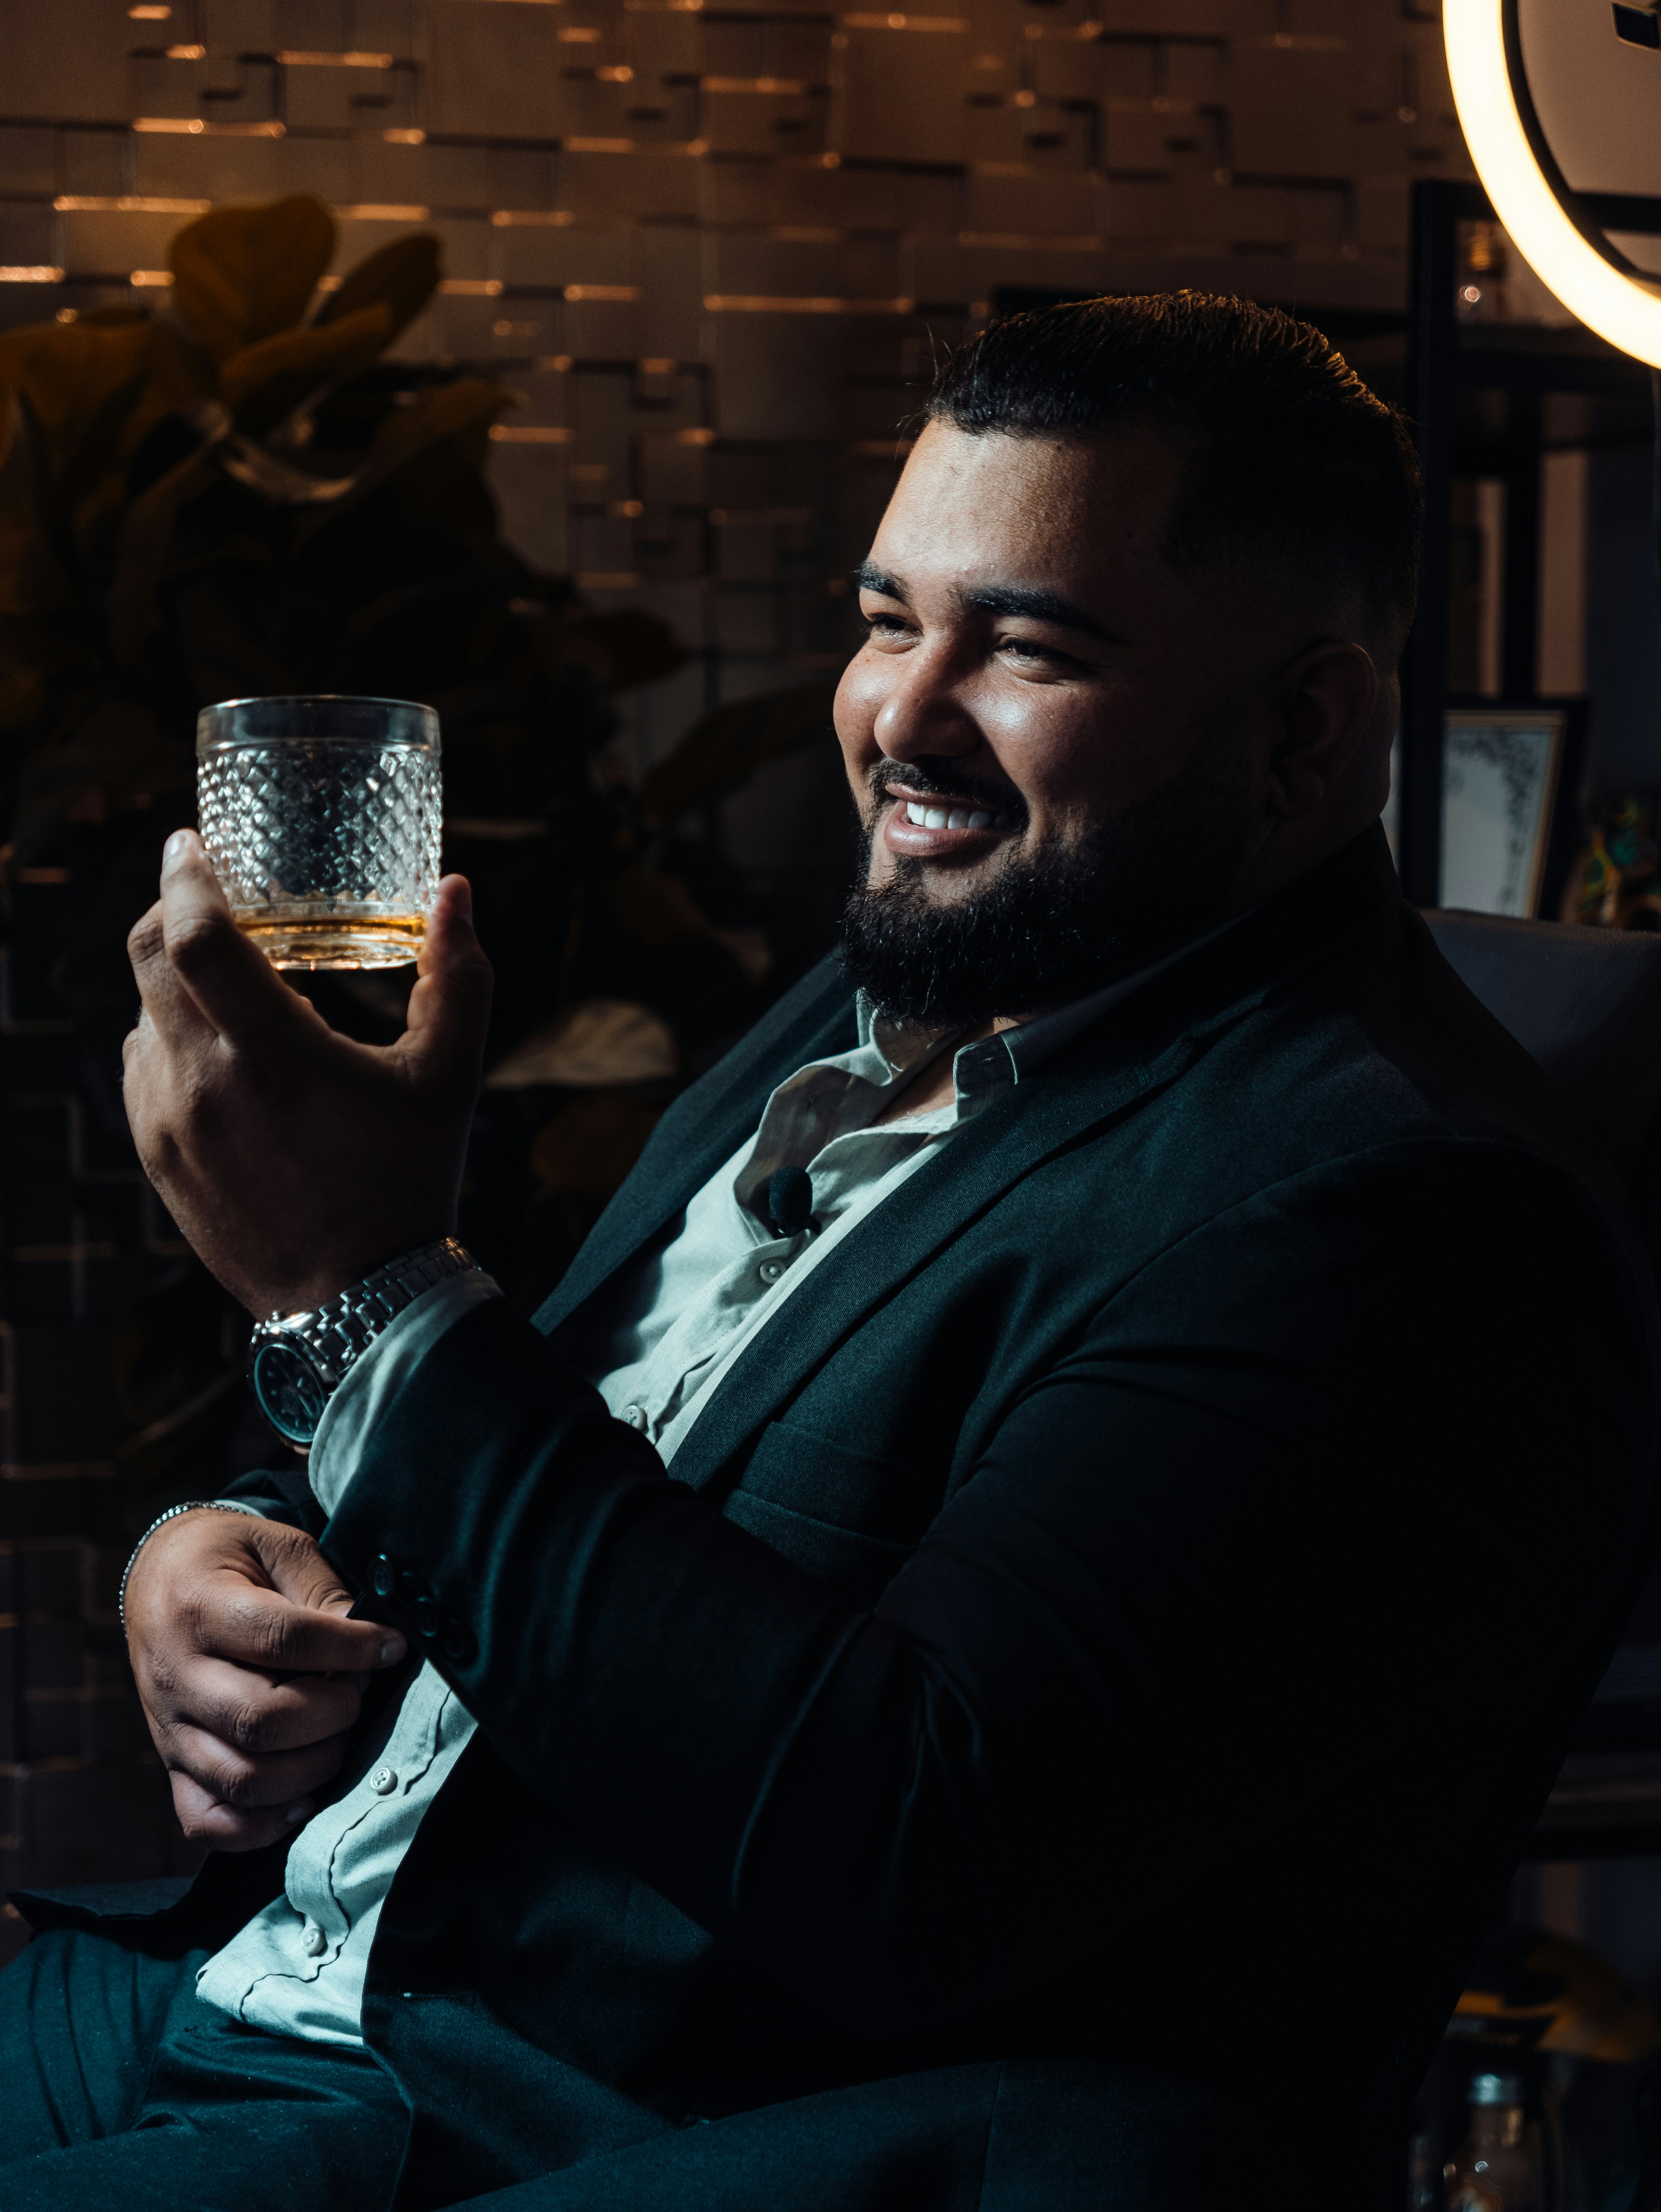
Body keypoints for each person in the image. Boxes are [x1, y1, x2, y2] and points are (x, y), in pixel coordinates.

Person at [0, 293, 1654, 2212]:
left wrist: (353, 1288)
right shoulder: (902, 995)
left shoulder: (1397, 1220)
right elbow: (545, 1459)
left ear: (1301, 729)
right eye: (888, 619)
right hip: (249, 1986)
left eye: (1027, 646)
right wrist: (207, 1555)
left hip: (492, 2124)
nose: (897, 720)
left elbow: (913, 1853)